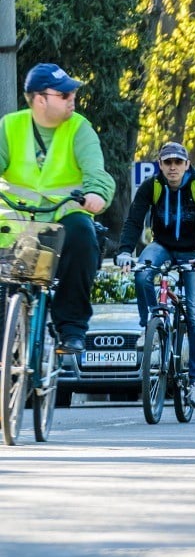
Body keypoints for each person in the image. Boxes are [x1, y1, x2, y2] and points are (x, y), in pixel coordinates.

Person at [0, 63, 114, 353]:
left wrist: (96, 193)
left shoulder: (80, 128)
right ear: (41, 99)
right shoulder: (10, 126)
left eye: (73, 92)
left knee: (83, 235)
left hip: (63, 218)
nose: (72, 97)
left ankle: (71, 328)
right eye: (64, 94)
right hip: (16, 221)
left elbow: (96, 170)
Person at [116, 141, 195, 408]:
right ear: (160, 165)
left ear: (186, 164)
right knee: (142, 273)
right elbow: (134, 219)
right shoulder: (152, 186)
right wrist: (126, 251)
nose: (172, 167)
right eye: (167, 162)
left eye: (178, 162)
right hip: (162, 246)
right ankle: (149, 324)